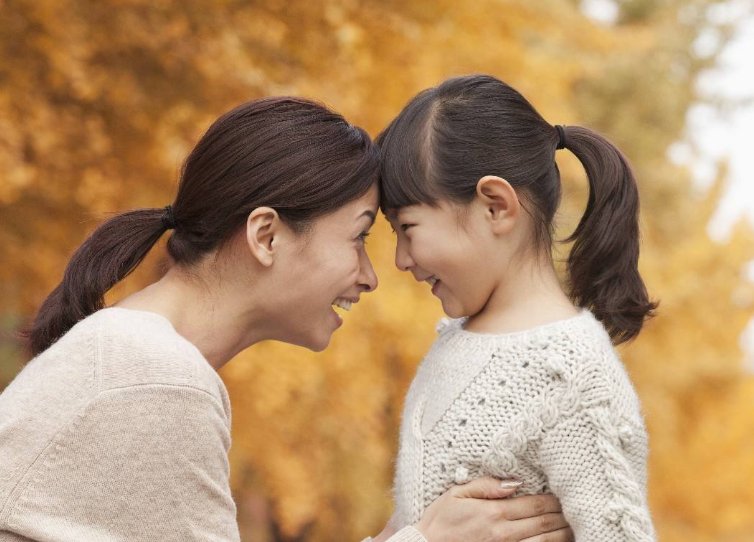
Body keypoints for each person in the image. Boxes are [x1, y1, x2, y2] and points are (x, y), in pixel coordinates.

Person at [0, 96, 574, 542]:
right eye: (359, 237)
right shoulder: (155, 377)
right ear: (266, 235)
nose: (372, 276)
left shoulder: (136, 355)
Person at [376, 74, 657, 541]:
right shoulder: (455, 342)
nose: (402, 260)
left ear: (495, 207)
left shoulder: (569, 370)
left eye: (407, 227)